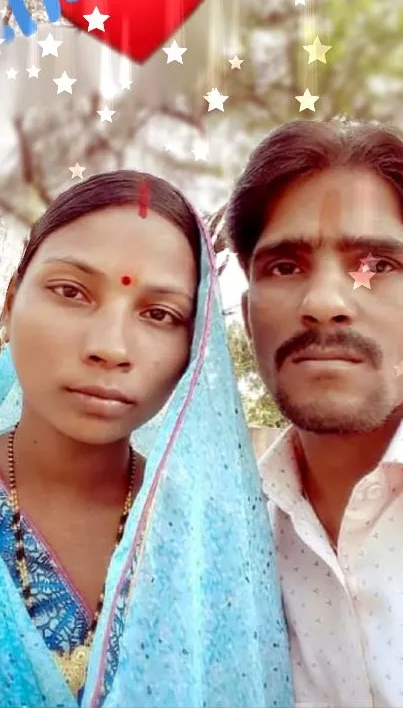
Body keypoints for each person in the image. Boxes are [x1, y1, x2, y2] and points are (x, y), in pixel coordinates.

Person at [0, 169, 293, 708]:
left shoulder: (214, 538)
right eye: (71, 291)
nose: (110, 347)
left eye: (160, 314)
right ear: (10, 302)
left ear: (195, 348)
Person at [226, 118, 403, 708]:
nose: (325, 303)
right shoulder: (223, 536)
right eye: (284, 266)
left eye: (377, 265)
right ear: (249, 318)